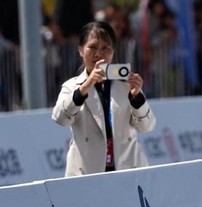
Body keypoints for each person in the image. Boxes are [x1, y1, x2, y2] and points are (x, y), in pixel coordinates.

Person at [52, 21, 155, 177]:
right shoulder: (72, 86)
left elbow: (147, 126)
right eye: (92, 47)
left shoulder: (126, 84)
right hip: (87, 174)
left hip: (128, 171)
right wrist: (84, 88)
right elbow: (60, 118)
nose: (99, 54)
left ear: (113, 52)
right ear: (80, 50)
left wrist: (137, 98)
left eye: (105, 48)